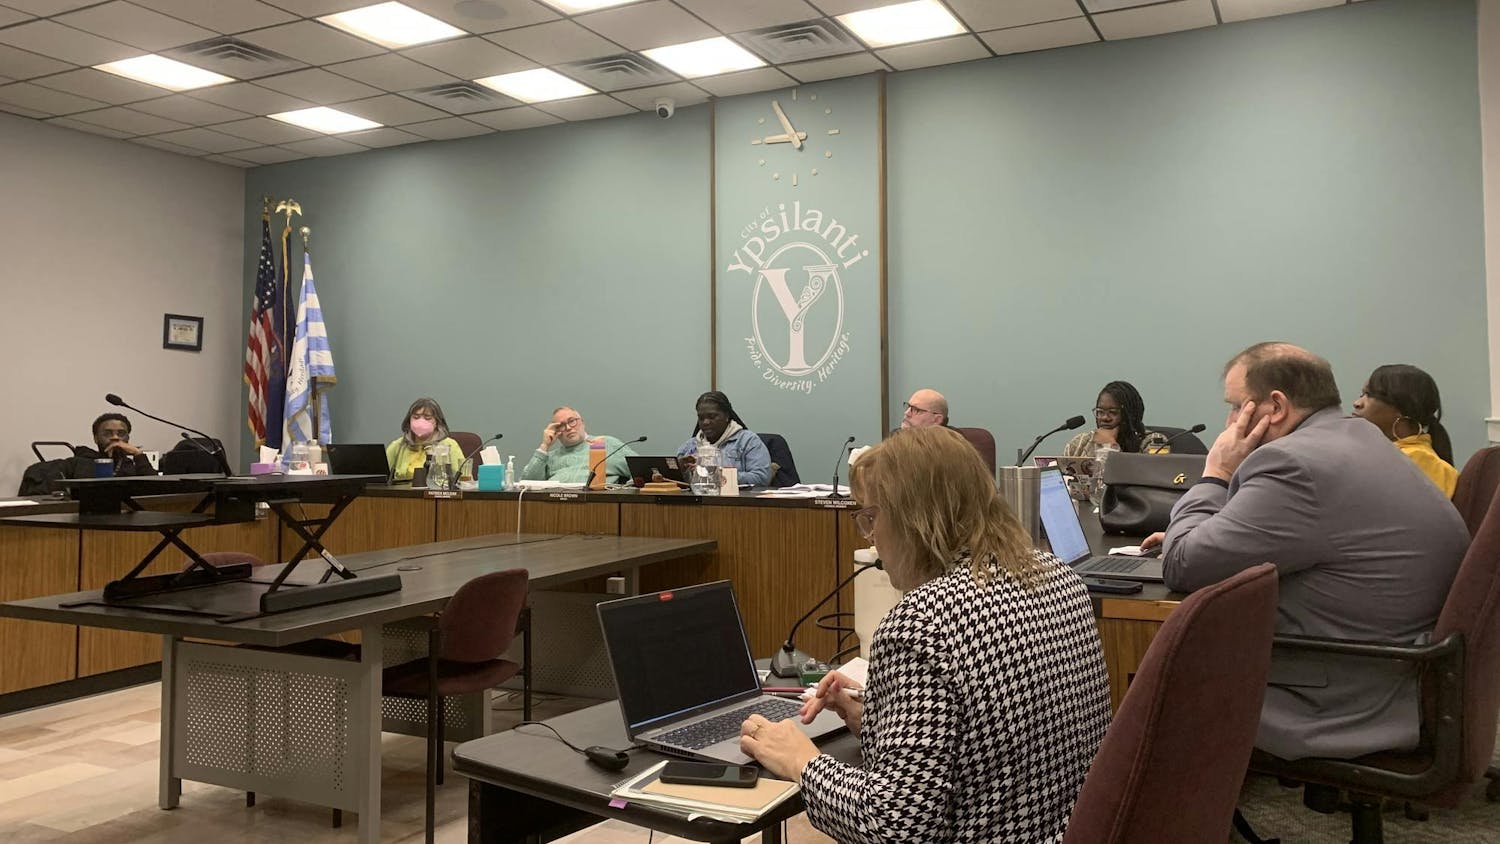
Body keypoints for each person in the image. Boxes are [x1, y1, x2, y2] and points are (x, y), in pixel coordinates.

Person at [738, 426, 1110, 841]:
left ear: (915, 516)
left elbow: (897, 826)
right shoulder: (1059, 577)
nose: (870, 537)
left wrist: (802, 762)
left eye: (871, 517)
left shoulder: (920, 622)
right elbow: (1003, 743)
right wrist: (880, 720)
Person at [1145, 343, 1468, 761]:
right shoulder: (1358, 436)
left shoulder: (1294, 463)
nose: (1228, 422)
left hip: (1337, 695)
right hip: (1399, 671)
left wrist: (1216, 474)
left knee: (1142, 672)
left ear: (1275, 406)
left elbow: (1182, 564)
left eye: (1234, 407)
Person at [1352, 364, 1458, 498]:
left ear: (1401, 407)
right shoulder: (1392, 454)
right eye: (1361, 395)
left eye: (1369, 394)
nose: (1357, 403)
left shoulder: (1418, 460)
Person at [675, 391, 772, 487]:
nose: (705, 422)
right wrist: (680, 470)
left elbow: (762, 478)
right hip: (697, 500)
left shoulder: (748, 441)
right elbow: (675, 482)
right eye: (701, 418)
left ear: (726, 416)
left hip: (735, 501)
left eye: (712, 417)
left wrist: (718, 475)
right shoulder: (689, 446)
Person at [521, 406, 636, 484]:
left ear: (582, 422)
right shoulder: (550, 457)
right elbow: (526, 484)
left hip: (598, 506)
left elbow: (643, 472)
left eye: (572, 421)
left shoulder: (607, 444)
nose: (568, 428)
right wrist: (544, 446)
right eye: (561, 425)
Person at [1062, 380, 1167, 456]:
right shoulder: (1080, 443)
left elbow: (1154, 479)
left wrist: (1110, 446)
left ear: (1131, 414)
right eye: (1100, 412)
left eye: (1113, 412)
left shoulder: (1154, 442)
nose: (1105, 418)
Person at [385, 397, 464, 482]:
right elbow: (380, 478)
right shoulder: (398, 446)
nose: (420, 422)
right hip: (401, 494)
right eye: (416, 417)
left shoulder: (449, 445)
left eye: (427, 418)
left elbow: (463, 480)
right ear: (409, 420)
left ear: (436, 422)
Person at [68, 413, 156, 477]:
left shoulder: (135, 465)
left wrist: (138, 454)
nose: (115, 437)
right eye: (108, 433)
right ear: (96, 438)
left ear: (128, 438)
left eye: (121, 433)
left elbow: (156, 490)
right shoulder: (78, 463)